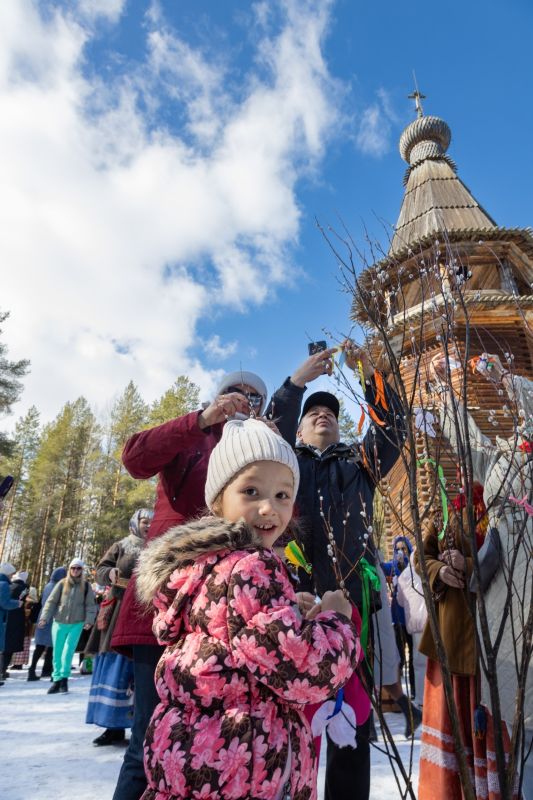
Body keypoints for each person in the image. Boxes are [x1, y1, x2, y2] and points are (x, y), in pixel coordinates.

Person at [136, 418, 360, 800]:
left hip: (206, 768)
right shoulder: (251, 566)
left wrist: (290, 612)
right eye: (251, 491)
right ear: (218, 499)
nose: (268, 508)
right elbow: (302, 668)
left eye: (283, 495)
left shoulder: (203, 567)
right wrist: (336, 619)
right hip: (249, 768)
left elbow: (245, 643)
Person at [111, 369, 299, 800]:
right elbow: (135, 458)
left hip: (230, 616)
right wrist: (200, 420)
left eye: (256, 395)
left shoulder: (264, 454)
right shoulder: (191, 437)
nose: (244, 398)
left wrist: (271, 458)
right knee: (147, 741)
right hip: (167, 605)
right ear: (217, 396)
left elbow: (278, 521)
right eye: (235, 390)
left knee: (218, 738)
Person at [272, 341, 406, 800]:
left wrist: (371, 375)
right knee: (293, 730)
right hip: (293, 608)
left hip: (353, 611)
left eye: (330, 411)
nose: (322, 415)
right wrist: (296, 384)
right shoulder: (285, 466)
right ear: (302, 428)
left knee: (352, 732)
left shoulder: (358, 462)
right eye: (313, 412)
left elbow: (394, 430)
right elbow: (268, 432)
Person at [431, 351, 532, 797]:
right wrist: (443, 389)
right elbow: (470, 445)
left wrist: (504, 377)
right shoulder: (505, 458)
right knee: (519, 733)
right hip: (504, 606)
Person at [86, 508, 154, 746]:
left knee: (141, 665)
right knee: (116, 662)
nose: (148, 525)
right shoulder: (121, 546)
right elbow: (100, 570)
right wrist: (110, 573)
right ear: (134, 523)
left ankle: (140, 725)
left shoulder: (157, 546)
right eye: (144, 521)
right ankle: (112, 727)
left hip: (144, 609)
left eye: (151, 522)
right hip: (117, 609)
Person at [38, 558, 97, 694]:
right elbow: (51, 602)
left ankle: (64, 680)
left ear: (82, 571)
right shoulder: (61, 584)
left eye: (78, 568)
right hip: (59, 623)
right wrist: (44, 618)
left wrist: (89, 620)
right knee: (57, 652)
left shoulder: (86, 586)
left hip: (76, 624)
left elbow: (90, 605)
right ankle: (56, 680)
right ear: (69, 569)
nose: (75, 571)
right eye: (73, 568)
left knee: (67, 652)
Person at [381, 536, 416, 699]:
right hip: (397, 617)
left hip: (412, 616)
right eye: (397, 549)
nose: (400, 552)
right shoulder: (393, 567)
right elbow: (381, 567)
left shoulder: (413, 566)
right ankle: (399, 695)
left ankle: (415, 690)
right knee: (400, 656)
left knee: (414, 656)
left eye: (403, 548)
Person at [396, 547, 427, 710]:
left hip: (414, 624)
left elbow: (400, 601)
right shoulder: (427, 570)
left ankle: (422, 697)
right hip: (431, 620)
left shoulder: (403, 577)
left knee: (419, 662)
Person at [29, 566, 67, 681]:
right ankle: (48, 670)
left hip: (44, 616)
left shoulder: (48, 586)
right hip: (52, 618)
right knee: (52, 646)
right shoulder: (57, 587)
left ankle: (33, 670)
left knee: (40, 646)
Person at [2, 569, 29, 676]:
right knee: (10, 645)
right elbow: (22, 601)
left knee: (5, 644)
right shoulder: (25, 588)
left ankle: (2, 669)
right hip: (17, 618)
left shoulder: (9, 586)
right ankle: (2, 670)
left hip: (6, 616)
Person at [0, 563, 21, 686]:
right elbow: (4, 603)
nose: (12, 577)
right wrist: (17, 603)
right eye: (12, 574)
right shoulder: (3, 585)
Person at [10, 586, 40, 669]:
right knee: (25, 645)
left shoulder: (28, 602)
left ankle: (18, 664)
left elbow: (26, 614)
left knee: (21, 644)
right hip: (28, 627)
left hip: (24, 626)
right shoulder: (34, 602)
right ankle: (20, 663)